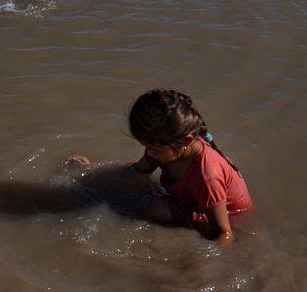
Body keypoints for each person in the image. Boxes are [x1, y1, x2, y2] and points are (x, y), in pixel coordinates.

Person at [69, 89, 252, 245]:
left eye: (155, 149)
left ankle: (186, 221)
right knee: (135, 191)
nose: (150, 152)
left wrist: (199, 269)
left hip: (227, 214)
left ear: (186, 142)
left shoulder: (208, 176)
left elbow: (223, 233)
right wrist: (89, 170)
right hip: (193, 198)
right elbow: (135, 170)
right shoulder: (168, 147)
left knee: (152, 207)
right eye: (147, 147)